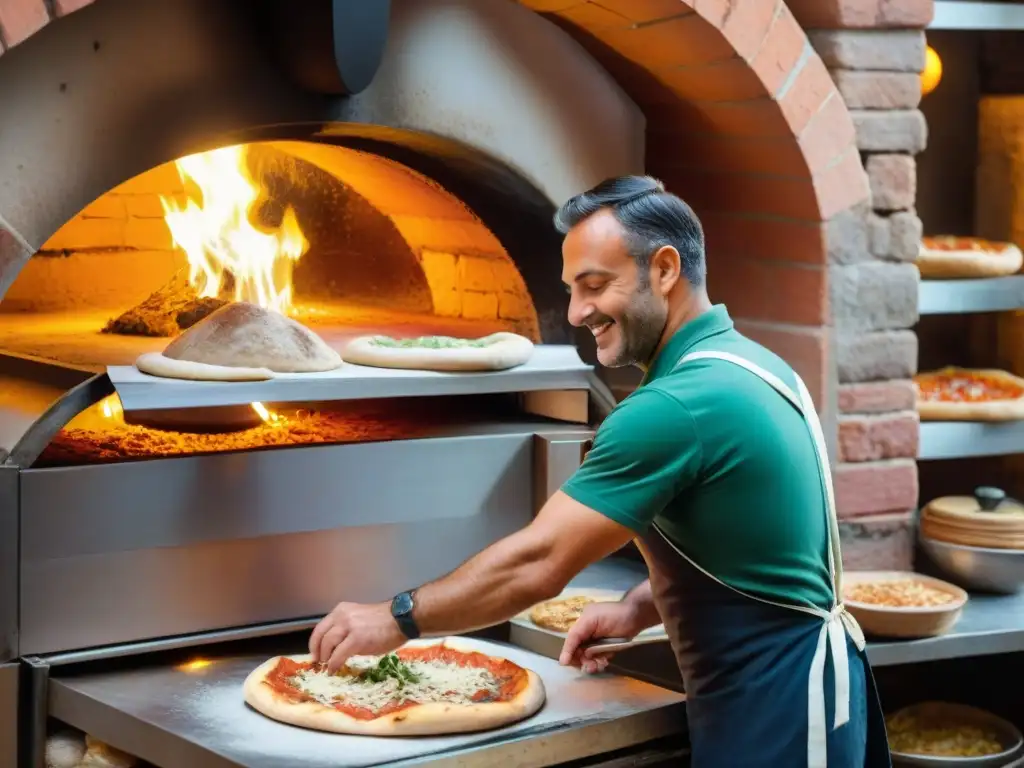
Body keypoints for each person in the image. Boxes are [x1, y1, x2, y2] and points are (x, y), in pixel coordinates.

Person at [308, 176, 892, 768]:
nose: (577, 312)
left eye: (595, 286)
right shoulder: (758, 366)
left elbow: (539, 563)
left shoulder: (673, 407)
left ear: (664, 270)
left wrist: (396, 616)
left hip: (781, 718)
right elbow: (763, 547)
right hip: (811, 699)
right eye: (571, 289)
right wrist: (644, 604)